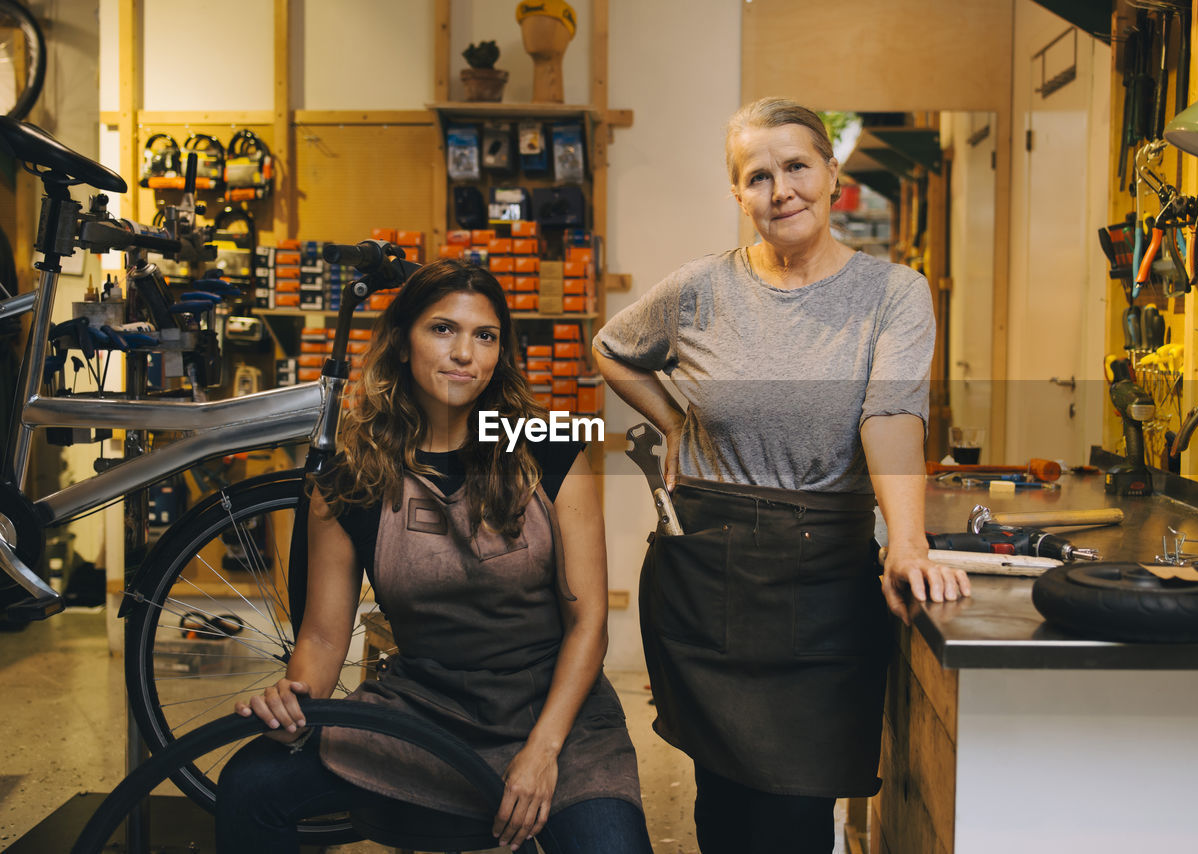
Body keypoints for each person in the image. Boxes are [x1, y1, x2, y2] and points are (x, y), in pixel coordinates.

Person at [592, 97, 971, 854]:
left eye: (797, 166)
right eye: (757, 176)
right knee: (722, 804)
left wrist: (906, 541)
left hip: (823, 579)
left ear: (832, 174)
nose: (781, 189)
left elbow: (891, 416)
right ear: (738, 195)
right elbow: (611, 347)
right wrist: (674, 421)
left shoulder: (892, 295)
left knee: (796, 816)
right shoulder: (700, 289)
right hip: (705, 576)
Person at [217, 259, 653, 854]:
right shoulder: (352, 478)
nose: (464, 353)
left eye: (485, 335)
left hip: (556, 712)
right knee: (250, 786)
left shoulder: (551, 452)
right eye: (442, 329)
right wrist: (292, 700)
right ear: (401, 343)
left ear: (501, 352)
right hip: (420, 709)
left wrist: (543, 751)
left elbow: (589, 624)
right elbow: (322, 640)